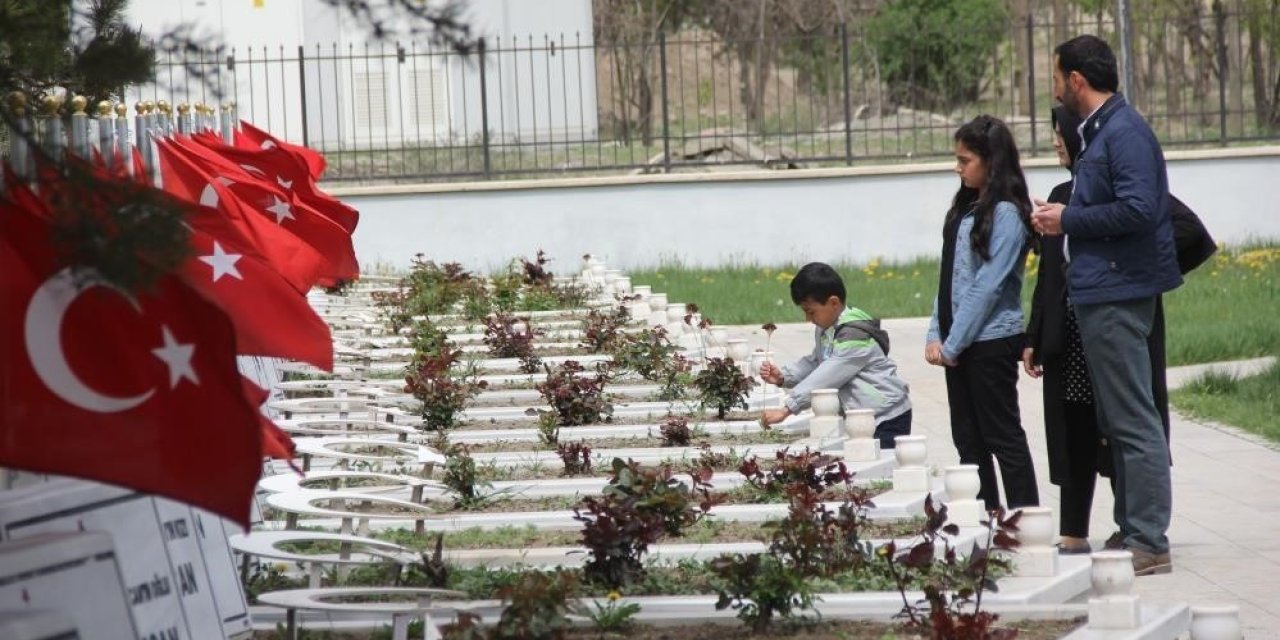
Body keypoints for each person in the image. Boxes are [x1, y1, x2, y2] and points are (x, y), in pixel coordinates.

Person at [1031, 35, 1182, 576]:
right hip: (1100, 293)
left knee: (1134, 418)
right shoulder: (1102, 134)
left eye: (1056, 77)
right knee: (1115, 418)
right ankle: (1132, 527)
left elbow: (1141, 209)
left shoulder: (1124, 132)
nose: (1053, 88)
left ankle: (1148, 539)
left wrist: (1065, 220)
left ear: (1076, 80)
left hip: (1119, 293)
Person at [926, 114, 1038, 512]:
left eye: (965, 160)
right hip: (961, 342)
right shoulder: (965, 206)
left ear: (991, 161)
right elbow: (950, 277)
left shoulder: (1006, 213)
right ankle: (986, 520)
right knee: (969, 440)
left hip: (990, 342)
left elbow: (988, 285)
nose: (958, 169)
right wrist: (935, 333)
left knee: (1002, 436)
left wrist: (953, 342)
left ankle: (1026, 523)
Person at [759, 262, 912, 449]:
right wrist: (784, 376)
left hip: (887, 415)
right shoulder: (826, 327)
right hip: (863, 416)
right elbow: (818, 361)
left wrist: (787, 408)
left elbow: (827, 375)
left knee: (884, 470)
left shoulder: (854, 337)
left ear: (834, 303)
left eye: (810, 311)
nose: (808, 319)